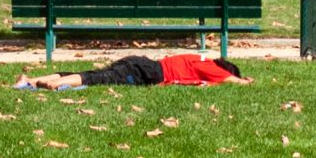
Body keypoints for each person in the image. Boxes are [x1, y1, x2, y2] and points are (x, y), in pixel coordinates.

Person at [16, 55, 247, 90]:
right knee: (97, 78)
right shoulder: (214, 69)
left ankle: (31, 81)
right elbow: (235, 82)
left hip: (141, 63)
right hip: (148, 72)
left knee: (92, 73)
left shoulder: (200, 58)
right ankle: (53, 85)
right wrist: (245, 79)